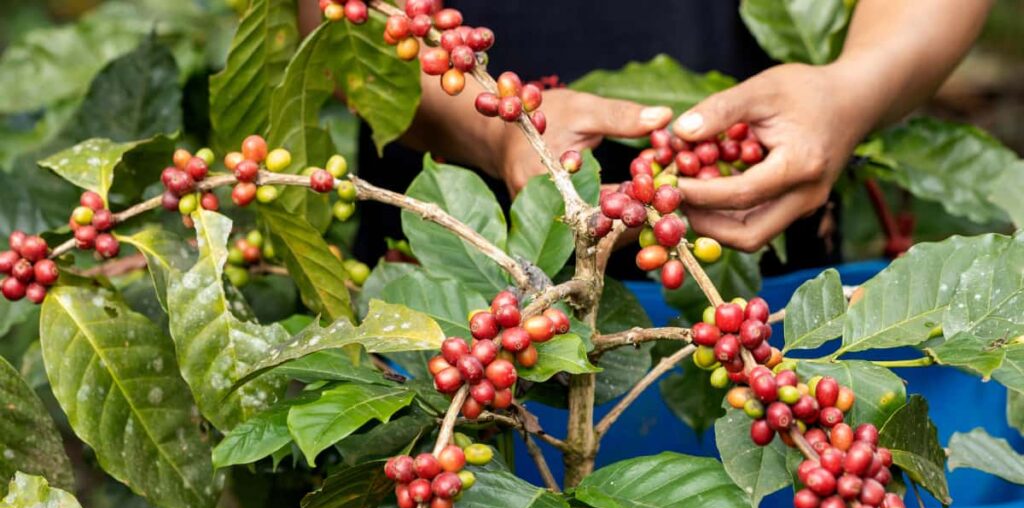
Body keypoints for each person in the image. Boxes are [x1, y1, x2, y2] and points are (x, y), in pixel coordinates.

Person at [299, 0, 993, 270]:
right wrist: (498, 132)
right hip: (448, 297)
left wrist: (853, 88)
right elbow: (341, 20)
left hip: (763, 284)